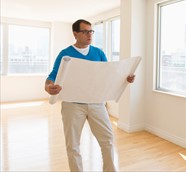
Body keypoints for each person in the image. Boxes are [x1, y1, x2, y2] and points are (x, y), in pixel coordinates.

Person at [45, 19, 135, 172]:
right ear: (75, 34)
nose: (90, 35)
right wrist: (48, 86)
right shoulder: (65, 53)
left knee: (107, 140)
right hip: (72, 105)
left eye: (91, 31)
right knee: (73, 146)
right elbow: (52, 76)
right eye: (85, 31)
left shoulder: (98, 53)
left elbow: (109, 74)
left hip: (96, 103)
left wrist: (125, 79)